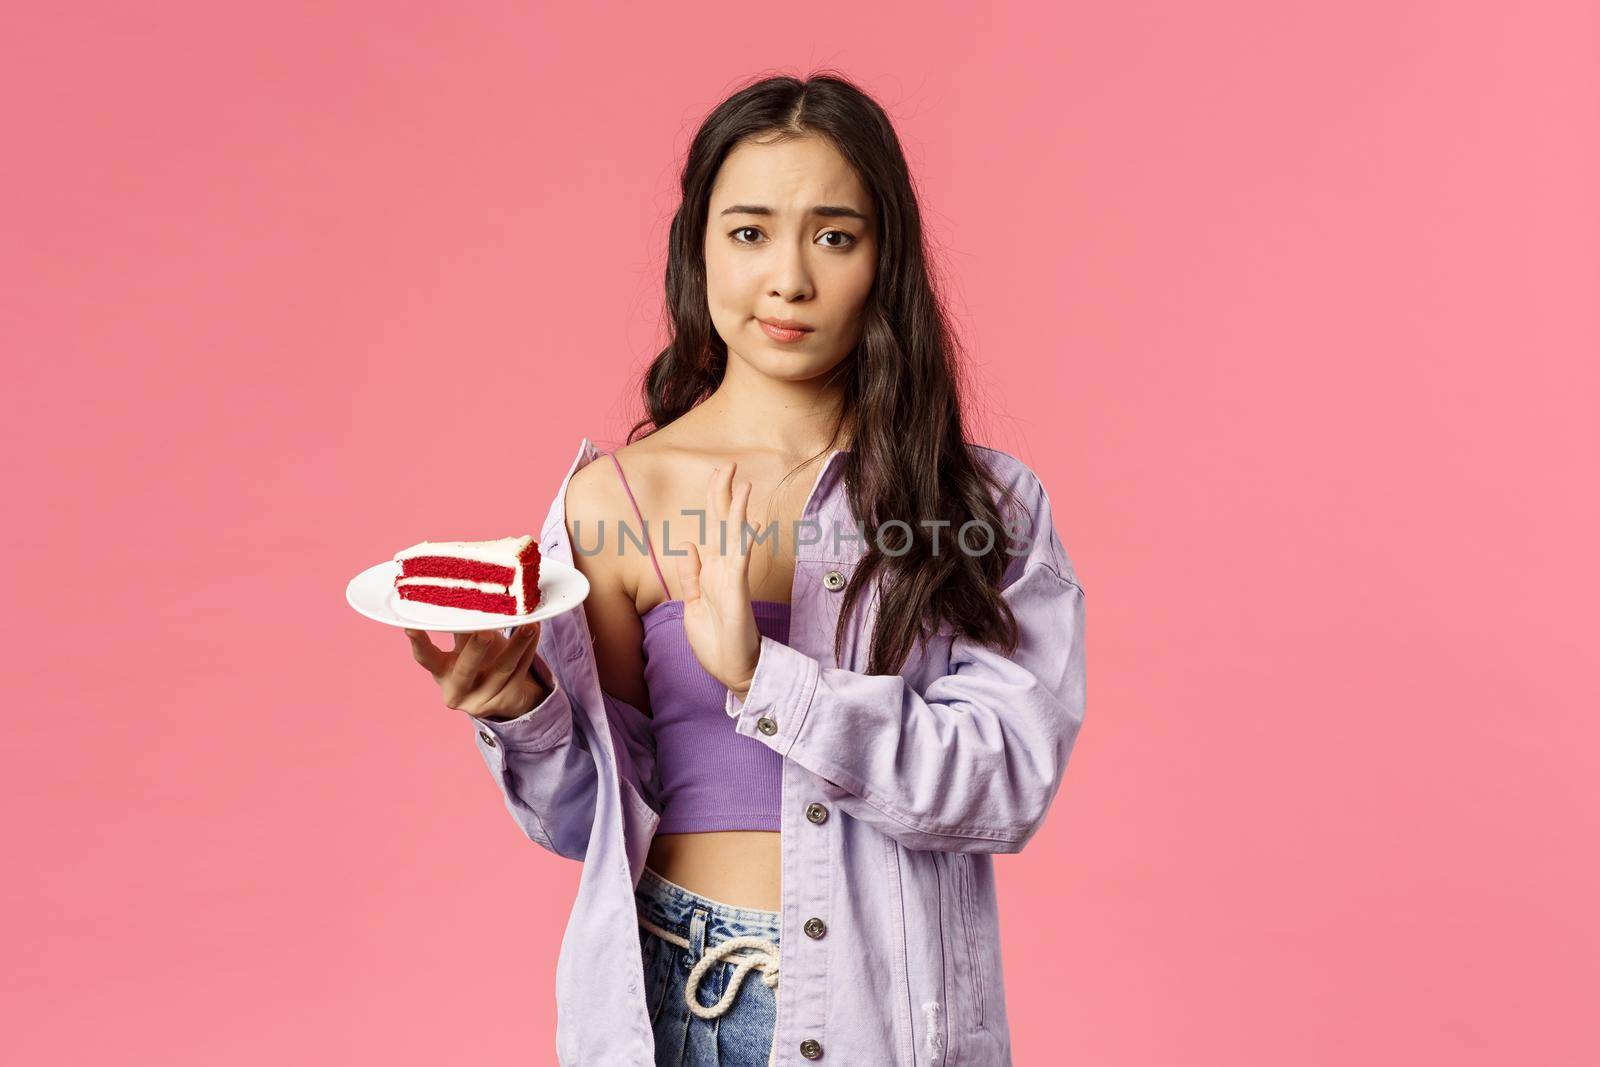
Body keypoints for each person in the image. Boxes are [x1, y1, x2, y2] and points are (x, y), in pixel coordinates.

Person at [403, 71, 1086, 1067]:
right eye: (750, 231)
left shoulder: (979, 507)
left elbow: (1003, 781)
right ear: (698, 249)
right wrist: (520, 707)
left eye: (835, 235)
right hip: (676, 1001)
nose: (790, 279)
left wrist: (765, 678)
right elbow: (586, 821)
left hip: (879, 1016)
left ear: (883, 259)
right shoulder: (615, 502)